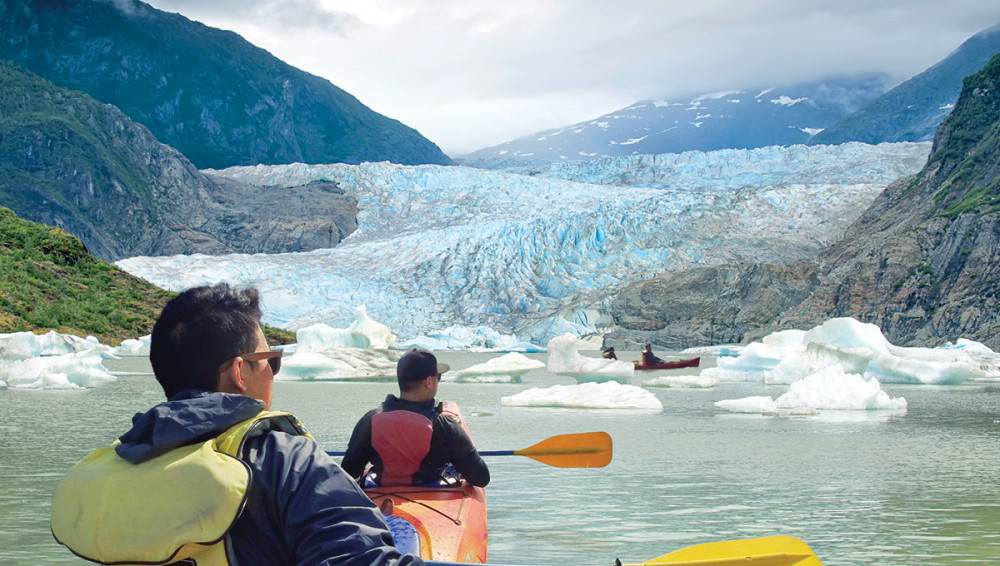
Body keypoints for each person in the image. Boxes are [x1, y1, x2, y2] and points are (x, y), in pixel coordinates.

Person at [51, 283, 422, 566]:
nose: (275, 372)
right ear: (240, 372)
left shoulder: (129, 455)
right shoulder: (283, 457)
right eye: (270, 360)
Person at [341, 348, 490, 488]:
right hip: (433, 494)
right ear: (429, 382)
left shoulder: (370, 421)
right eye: (438, 377)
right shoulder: (445, 426)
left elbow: (349, 472)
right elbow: (481, 477)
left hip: (382, 494)